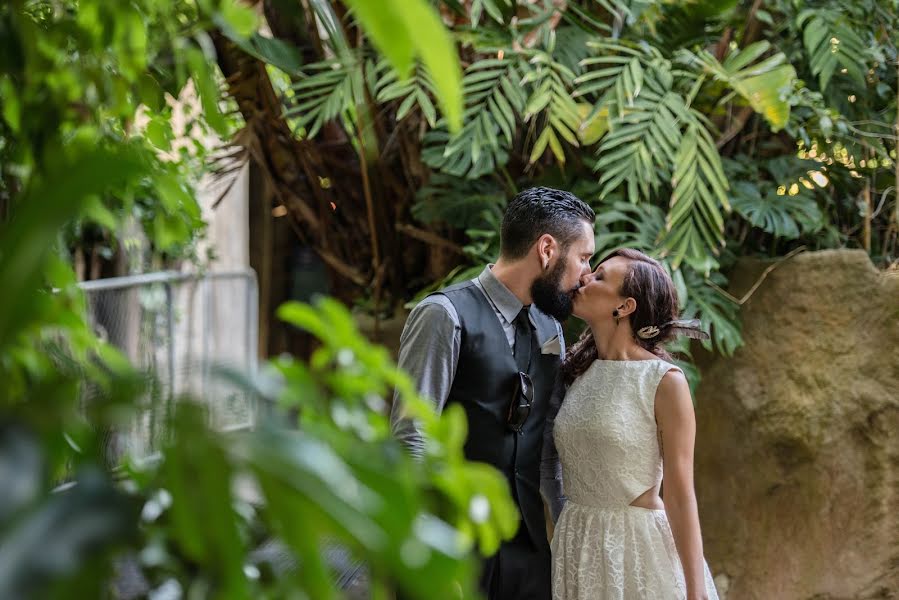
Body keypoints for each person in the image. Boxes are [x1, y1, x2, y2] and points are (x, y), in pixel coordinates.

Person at [390, 187, 595, 600]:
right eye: (584, 257)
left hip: (529, 552)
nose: (586, 275)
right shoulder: (443, 315)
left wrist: (569, 542)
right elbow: (413, 439)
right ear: (547, 249)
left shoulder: (550, 327)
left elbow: (547, 452)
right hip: (455, 547)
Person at [541, 248, 719, 600]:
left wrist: (695, 592)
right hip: (576, 542)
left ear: (625, 307)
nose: (585, 277)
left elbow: (681, 495)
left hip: (635, 550)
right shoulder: (576, 371)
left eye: (600, 276)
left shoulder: (665, 381)